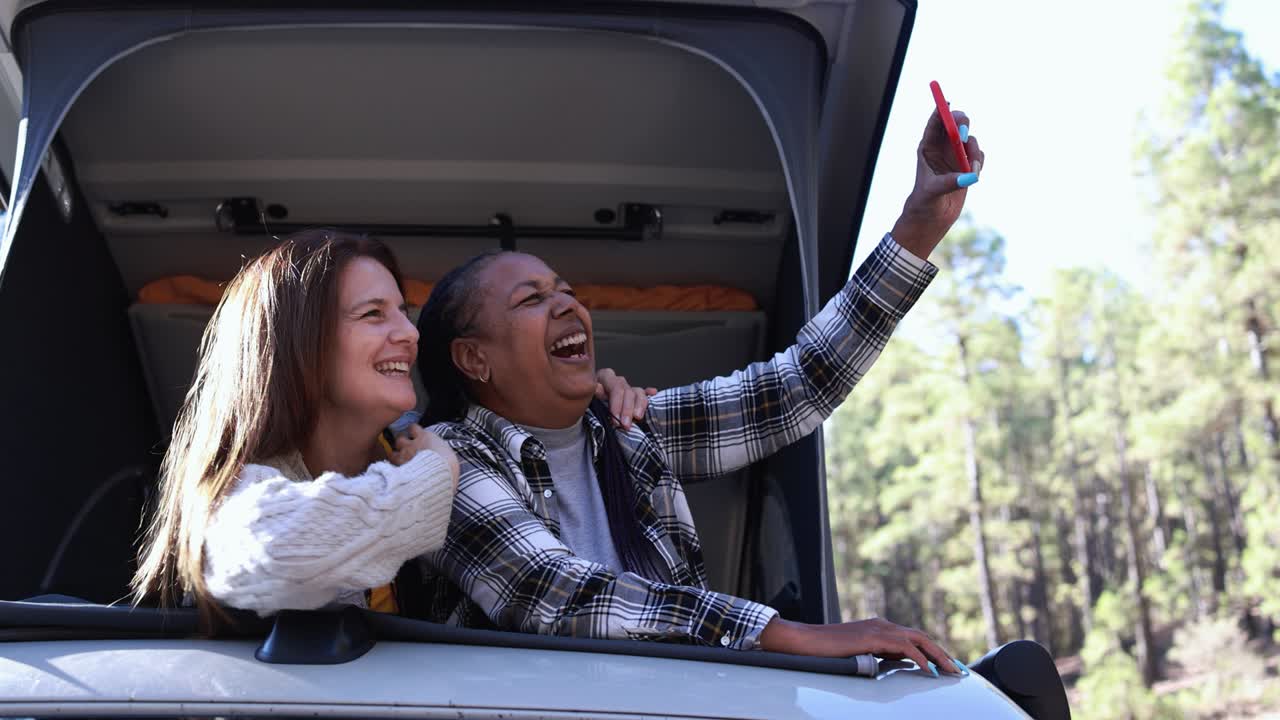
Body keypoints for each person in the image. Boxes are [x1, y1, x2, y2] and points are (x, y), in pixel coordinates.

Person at [412, 109, 984, 673]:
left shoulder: (632, 430)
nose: (567, 304)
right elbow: (550, 593)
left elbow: (798, 385)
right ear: (474, 359)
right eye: (531, 300)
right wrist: (782, 632)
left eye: (564, 290)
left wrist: (920, 223)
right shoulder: (445, 459)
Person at [129, 229, 654, 620]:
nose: (408, 333)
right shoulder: (242, 487)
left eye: (403, 312)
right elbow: (279, 553)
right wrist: (427, 481)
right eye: (374, 315)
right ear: (299, 347)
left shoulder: (421, 448)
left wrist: (588, 400)